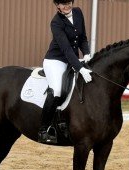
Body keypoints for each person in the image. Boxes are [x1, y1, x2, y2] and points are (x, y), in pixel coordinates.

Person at [38, 0, 92, 144]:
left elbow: (83, 38)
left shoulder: (78, 12)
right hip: (56, 60)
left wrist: (86, 53)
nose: (66, 6)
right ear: (57, 5)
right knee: (57, 90)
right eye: (63, 4)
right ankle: (43, 129)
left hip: (72, 59)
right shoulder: (56, 23)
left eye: (68, 2)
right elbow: (66, 49)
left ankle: (66, 122)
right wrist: (80, 68)